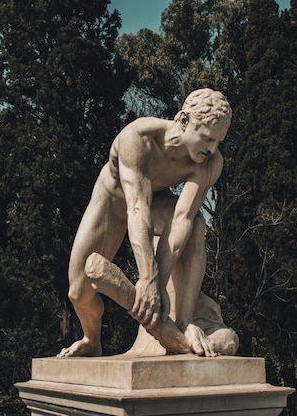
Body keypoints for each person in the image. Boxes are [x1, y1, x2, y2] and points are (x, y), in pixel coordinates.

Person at [59, 88, 232, 357]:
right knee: (77, 292)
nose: (212, 148)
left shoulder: (210, 162)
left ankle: (187, 321)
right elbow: (137, 208)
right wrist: (148, 278)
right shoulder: (137, 138)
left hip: (156, 203)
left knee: (196, 223)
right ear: (184, 121)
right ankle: (92, 340)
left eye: (219, 141)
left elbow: (182, 219)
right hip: (112, 203)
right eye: (207, 138)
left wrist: (158, 286)